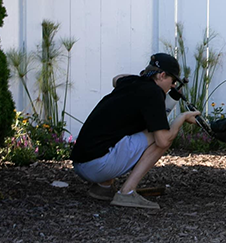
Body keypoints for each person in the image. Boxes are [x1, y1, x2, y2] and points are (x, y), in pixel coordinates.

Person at [70, 53, 200, 209]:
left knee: (124, 129)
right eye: (172, 81)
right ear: (162, 75)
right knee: (162, 138)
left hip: (80, 164)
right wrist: (182, 118)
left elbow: (116, 78)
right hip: (97, 167)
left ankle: (102, 188)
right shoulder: (153, 93)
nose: (173, 86)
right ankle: (127, 192)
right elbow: (163, 140)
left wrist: (146, 75)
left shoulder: (129, 82)